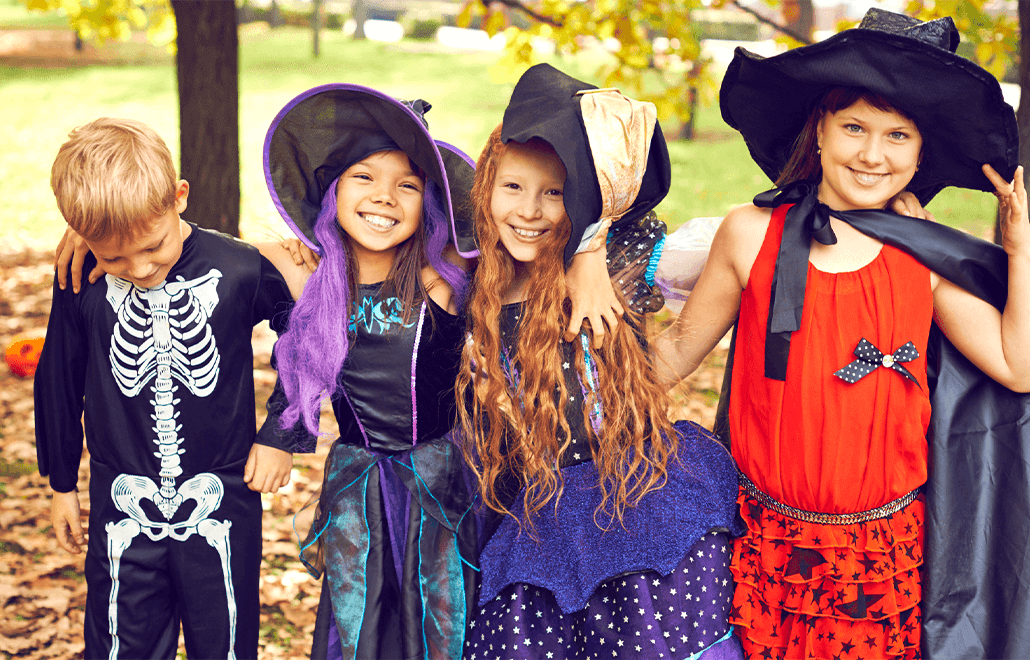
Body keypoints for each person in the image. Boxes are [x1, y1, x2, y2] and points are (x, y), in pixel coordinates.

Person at [655, 9, 1030, 659]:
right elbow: (677, 350)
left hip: (885, 554)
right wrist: (574, 361)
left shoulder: (928, 256)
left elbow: (1015, 365)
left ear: (919, 153)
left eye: (897, 136)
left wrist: (1020, 253)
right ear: (820, 131)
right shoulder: (751, 232)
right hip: (764, 539)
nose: (872, 154)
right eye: (854, 127)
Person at [257, 83, 624, 660]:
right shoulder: (310, 275)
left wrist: (591, 255)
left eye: (406, 184)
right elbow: (194, 251)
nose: (384, 198)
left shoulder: (443, 273)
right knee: (358, 612)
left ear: (428, 202)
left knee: (442, 608)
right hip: (358, 484)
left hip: (441, 474)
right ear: (332, 194)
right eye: (364, 178)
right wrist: (94, 229)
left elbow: (542, 241)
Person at [457, 63, 744, 660]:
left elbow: (740, 246)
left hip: (643, 496)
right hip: (548, 515)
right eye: (513, 188)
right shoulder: (474, 289)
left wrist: (590, 249)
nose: (531, 210)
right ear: (485, 188)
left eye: (554, 193)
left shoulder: (618, 263)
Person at [35, 117, 297, 659]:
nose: (139, 269)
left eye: (152, 247)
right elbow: (57, 379)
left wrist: (282, 430)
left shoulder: (240, 268)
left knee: (225, 645)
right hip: (121, 502)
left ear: (179, 198)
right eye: (115, 258)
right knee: (116, 647)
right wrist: (62, 482)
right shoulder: (82, 276)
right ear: (84, 237)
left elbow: (307, 333)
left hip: (222, 498)